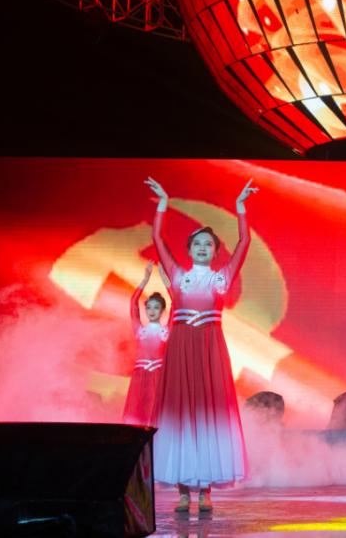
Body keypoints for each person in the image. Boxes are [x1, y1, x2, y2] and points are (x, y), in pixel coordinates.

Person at [145, 176, 256, 514]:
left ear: (216, 252)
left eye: (209, 244)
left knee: (206, 413)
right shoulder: (178, 277)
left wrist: (240, 209)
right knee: (182, 413)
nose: (203, 248)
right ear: (189, 249)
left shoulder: (221, 278)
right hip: (181, 349)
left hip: (209, 350)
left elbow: (245, 241)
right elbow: (157, 239)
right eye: (198, 244)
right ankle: (183, 492)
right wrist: (163, 205)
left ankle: (205, 490)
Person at [121, 261, 169, 426]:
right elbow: (133, 302)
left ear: (162, 310)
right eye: (148, 307)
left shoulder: (165, 331)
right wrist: (145, 279)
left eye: (156, 308)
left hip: (158, 376)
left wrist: (164, 277)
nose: (151, 311)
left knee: (155, 417)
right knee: (136, 418)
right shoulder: (140, 330)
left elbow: (177, 303)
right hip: (140, 377)